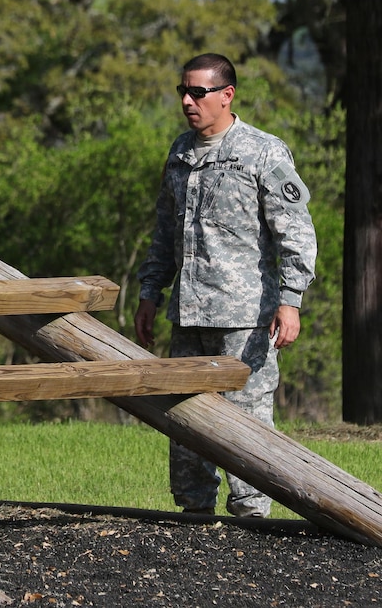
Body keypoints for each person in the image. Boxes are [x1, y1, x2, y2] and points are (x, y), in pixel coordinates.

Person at [133, 53, 317, 518]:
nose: (188, 101)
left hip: (245, 317)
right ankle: (194, 517)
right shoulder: (179, 151)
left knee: (248, 423)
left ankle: (253, 519)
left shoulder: (263, 150)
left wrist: (291, 300)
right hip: (188, 313)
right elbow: (164, 233)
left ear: (227, 95)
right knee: (187, 420)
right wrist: (150, 293)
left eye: (199, 92)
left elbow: (295, 232)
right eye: (183, 92)